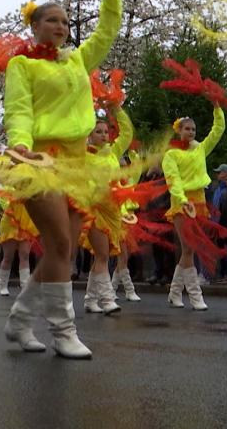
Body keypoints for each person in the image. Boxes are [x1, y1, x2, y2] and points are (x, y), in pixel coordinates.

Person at [0, 0, 120, 359]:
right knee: (61, 243)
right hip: (39, 158)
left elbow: (105, 33)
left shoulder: (76, 61)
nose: (62, 26)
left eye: (66, 21)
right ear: (34, 25)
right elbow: (17, 110)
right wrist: (21, 146)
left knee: (61, 250)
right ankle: (63, 330)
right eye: (52, 20)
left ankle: (19, 320)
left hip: (76, 162)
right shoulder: (22, 65)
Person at [163, 105, 227, 311]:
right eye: (187, 129)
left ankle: (174, 293)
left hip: (199, 201)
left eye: (193, 129)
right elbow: (173, 180)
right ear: (179, 130)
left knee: (188, 249)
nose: (191, 132)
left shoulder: (200, 149)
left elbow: (218, 131)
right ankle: (195, 295)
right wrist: (182, 199)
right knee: (188, 247)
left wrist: (216, 107)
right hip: (181, 202)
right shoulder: (171, 155)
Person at [80, 108, 132, 314]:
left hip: (113, 211)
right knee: (102, 255)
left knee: (102, 256)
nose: (103, 135)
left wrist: (116, 108)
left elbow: (127, 132)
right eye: (98, 132)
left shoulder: (113, 152)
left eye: (105, 131)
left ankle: (89, 299)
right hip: (95, 210)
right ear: (89, 135)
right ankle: (107, 299)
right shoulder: (83, 156)